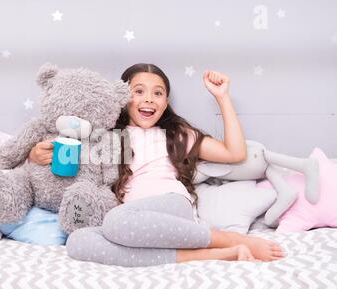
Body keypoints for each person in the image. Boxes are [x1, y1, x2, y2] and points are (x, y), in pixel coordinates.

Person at [28, 63, 285, 267]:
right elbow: (69, 155)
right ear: (122, 98)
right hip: (132, 222)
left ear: (165, 102)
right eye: (138, 91)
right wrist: (35, 155)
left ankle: (233, 239)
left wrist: (222, 97)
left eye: (158, 93)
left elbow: (235, 152)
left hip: (172, 206)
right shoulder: (106, 134)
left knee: (115, 221)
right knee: (78, 241)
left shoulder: (176, 134)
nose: (149, 99)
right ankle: (221, 253)